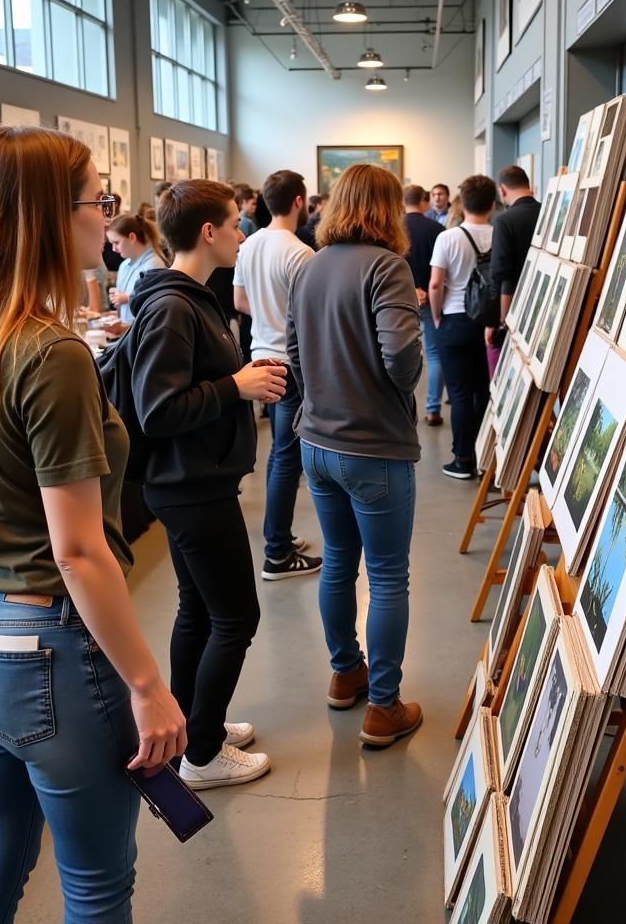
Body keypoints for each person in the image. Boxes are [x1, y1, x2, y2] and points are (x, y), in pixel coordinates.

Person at [0, 125, 186, 921]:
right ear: (48, 216)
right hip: (42, 649)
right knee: (98, 889)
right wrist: (147, 685)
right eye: (97, 199)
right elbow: (77, 549)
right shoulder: (49, 352)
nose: (108, 214)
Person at [130, 179, 288, 789]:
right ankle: (201, 756)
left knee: (197, 609)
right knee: (235, 617)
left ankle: (196, 729)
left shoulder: (193, 297)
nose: (242, 234)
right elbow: (158, 409)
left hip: (196, 481)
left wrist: (240, 378)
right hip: (190, 488)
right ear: (208, 232)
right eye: (234, 223)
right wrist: (237, 388)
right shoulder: (173, 305)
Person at [287, 163, 424, 746]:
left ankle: (346, 675)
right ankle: (384, 707)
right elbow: (402, 358)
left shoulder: (310, 266)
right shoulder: (388, 267)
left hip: (316, 443)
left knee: (340, 561)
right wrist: (401, 379)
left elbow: (293, 353)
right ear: (387, 210)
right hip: (374, 448)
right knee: (388, 576)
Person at [234, 170, 322, 581]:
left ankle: (279, 537)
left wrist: (269, 319)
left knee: (280, 454)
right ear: (300, 202)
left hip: (260, 359)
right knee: (288, 458)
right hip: (290, 364)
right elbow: (311, 316)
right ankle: (277, 554)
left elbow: (239, 300)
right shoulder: (300, 252)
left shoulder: (249, 244)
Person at [428, 174, 496, 480]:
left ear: (461, 203)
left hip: (454, 320)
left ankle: (463, 459)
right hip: (490, 323)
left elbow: (435, 284)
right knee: (484, 391)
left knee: (458, 393)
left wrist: (437, 315)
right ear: (493, 204)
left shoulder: (448, 238)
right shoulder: (499, 234)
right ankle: (487, 456)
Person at [487, 166, 541, 375]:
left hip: (517, 309)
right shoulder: (549, 212)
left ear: (502, 190)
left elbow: (502, 274)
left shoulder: (504, 221)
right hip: (550, 302)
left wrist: (499, 322)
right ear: (528, 185)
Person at [403, 183, 446, 426]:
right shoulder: (437, 229)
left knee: (398, 353)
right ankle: (432, 409)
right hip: (430, 298)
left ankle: (401, 409)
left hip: (397, 300)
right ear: (424, 200)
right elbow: (441, 267)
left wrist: (409, 288)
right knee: (433, 354)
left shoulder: (391, 228)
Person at [107, 211, 170, 329]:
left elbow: (155, 307)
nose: (114, 249)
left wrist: (127, 298)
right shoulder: (124, 266)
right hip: (128, 331)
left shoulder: (154, 264)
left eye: (116, 243)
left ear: (132, 238)